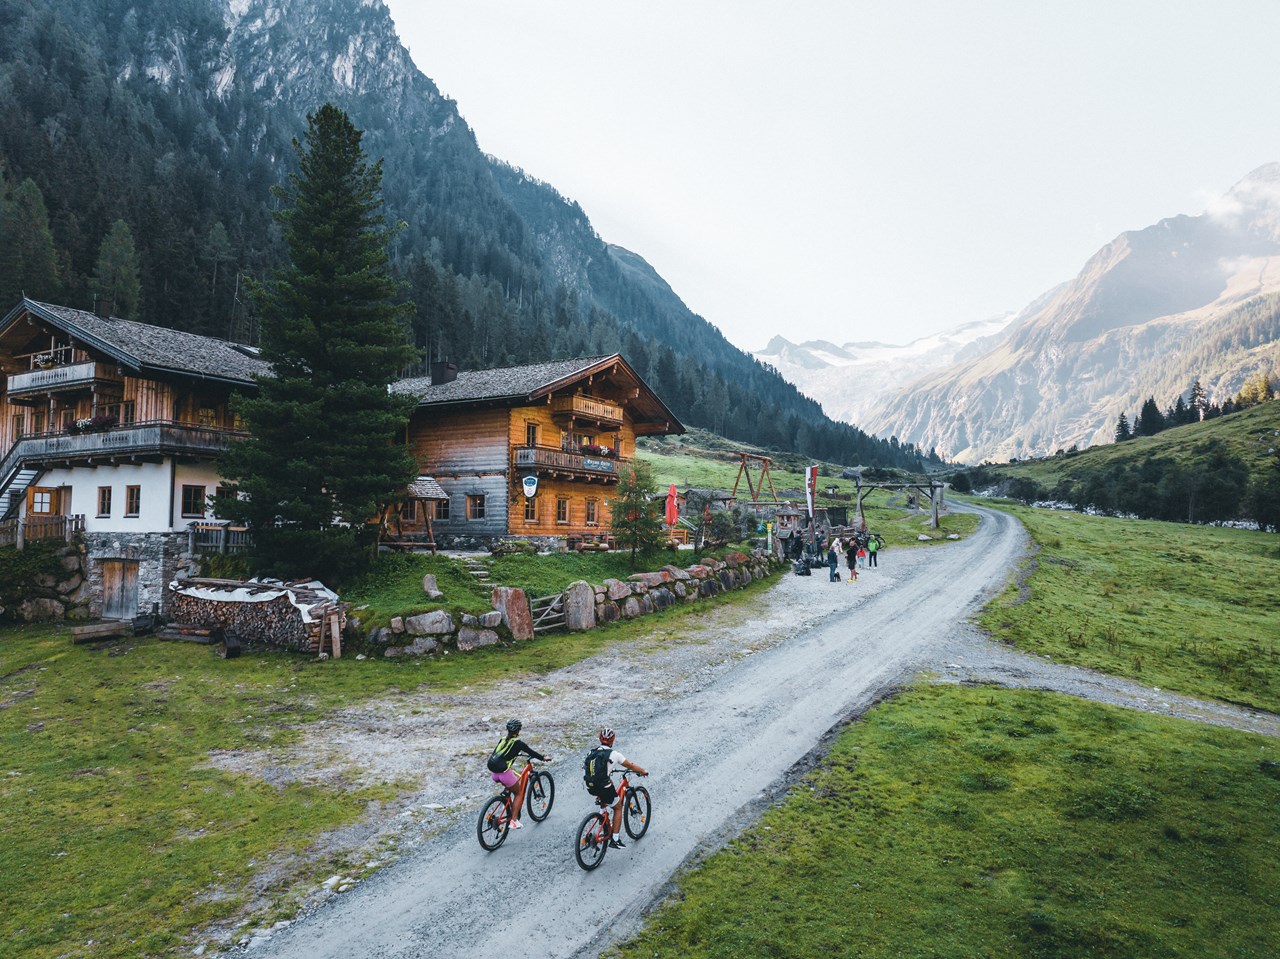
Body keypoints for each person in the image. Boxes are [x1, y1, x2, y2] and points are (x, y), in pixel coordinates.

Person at [583, 727, 649, 848]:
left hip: (590, 786)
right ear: (612, 740)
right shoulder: (614, 754)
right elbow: (631, 765)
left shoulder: (591, 752)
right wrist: (643, 771)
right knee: (618, 807)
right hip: (603, 787)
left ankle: (602, 818)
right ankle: (615, 839)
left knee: (605, 796)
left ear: (600, 738)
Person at [487, 719, 551, 828]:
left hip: (495, 773)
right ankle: (514, 821)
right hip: (504, 773)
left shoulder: (502, 740)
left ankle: (506, 805)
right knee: (518, 793)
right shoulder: (518, 743)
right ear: (518, 730)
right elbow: (531, 752)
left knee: (510, 786)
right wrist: (543, 758)